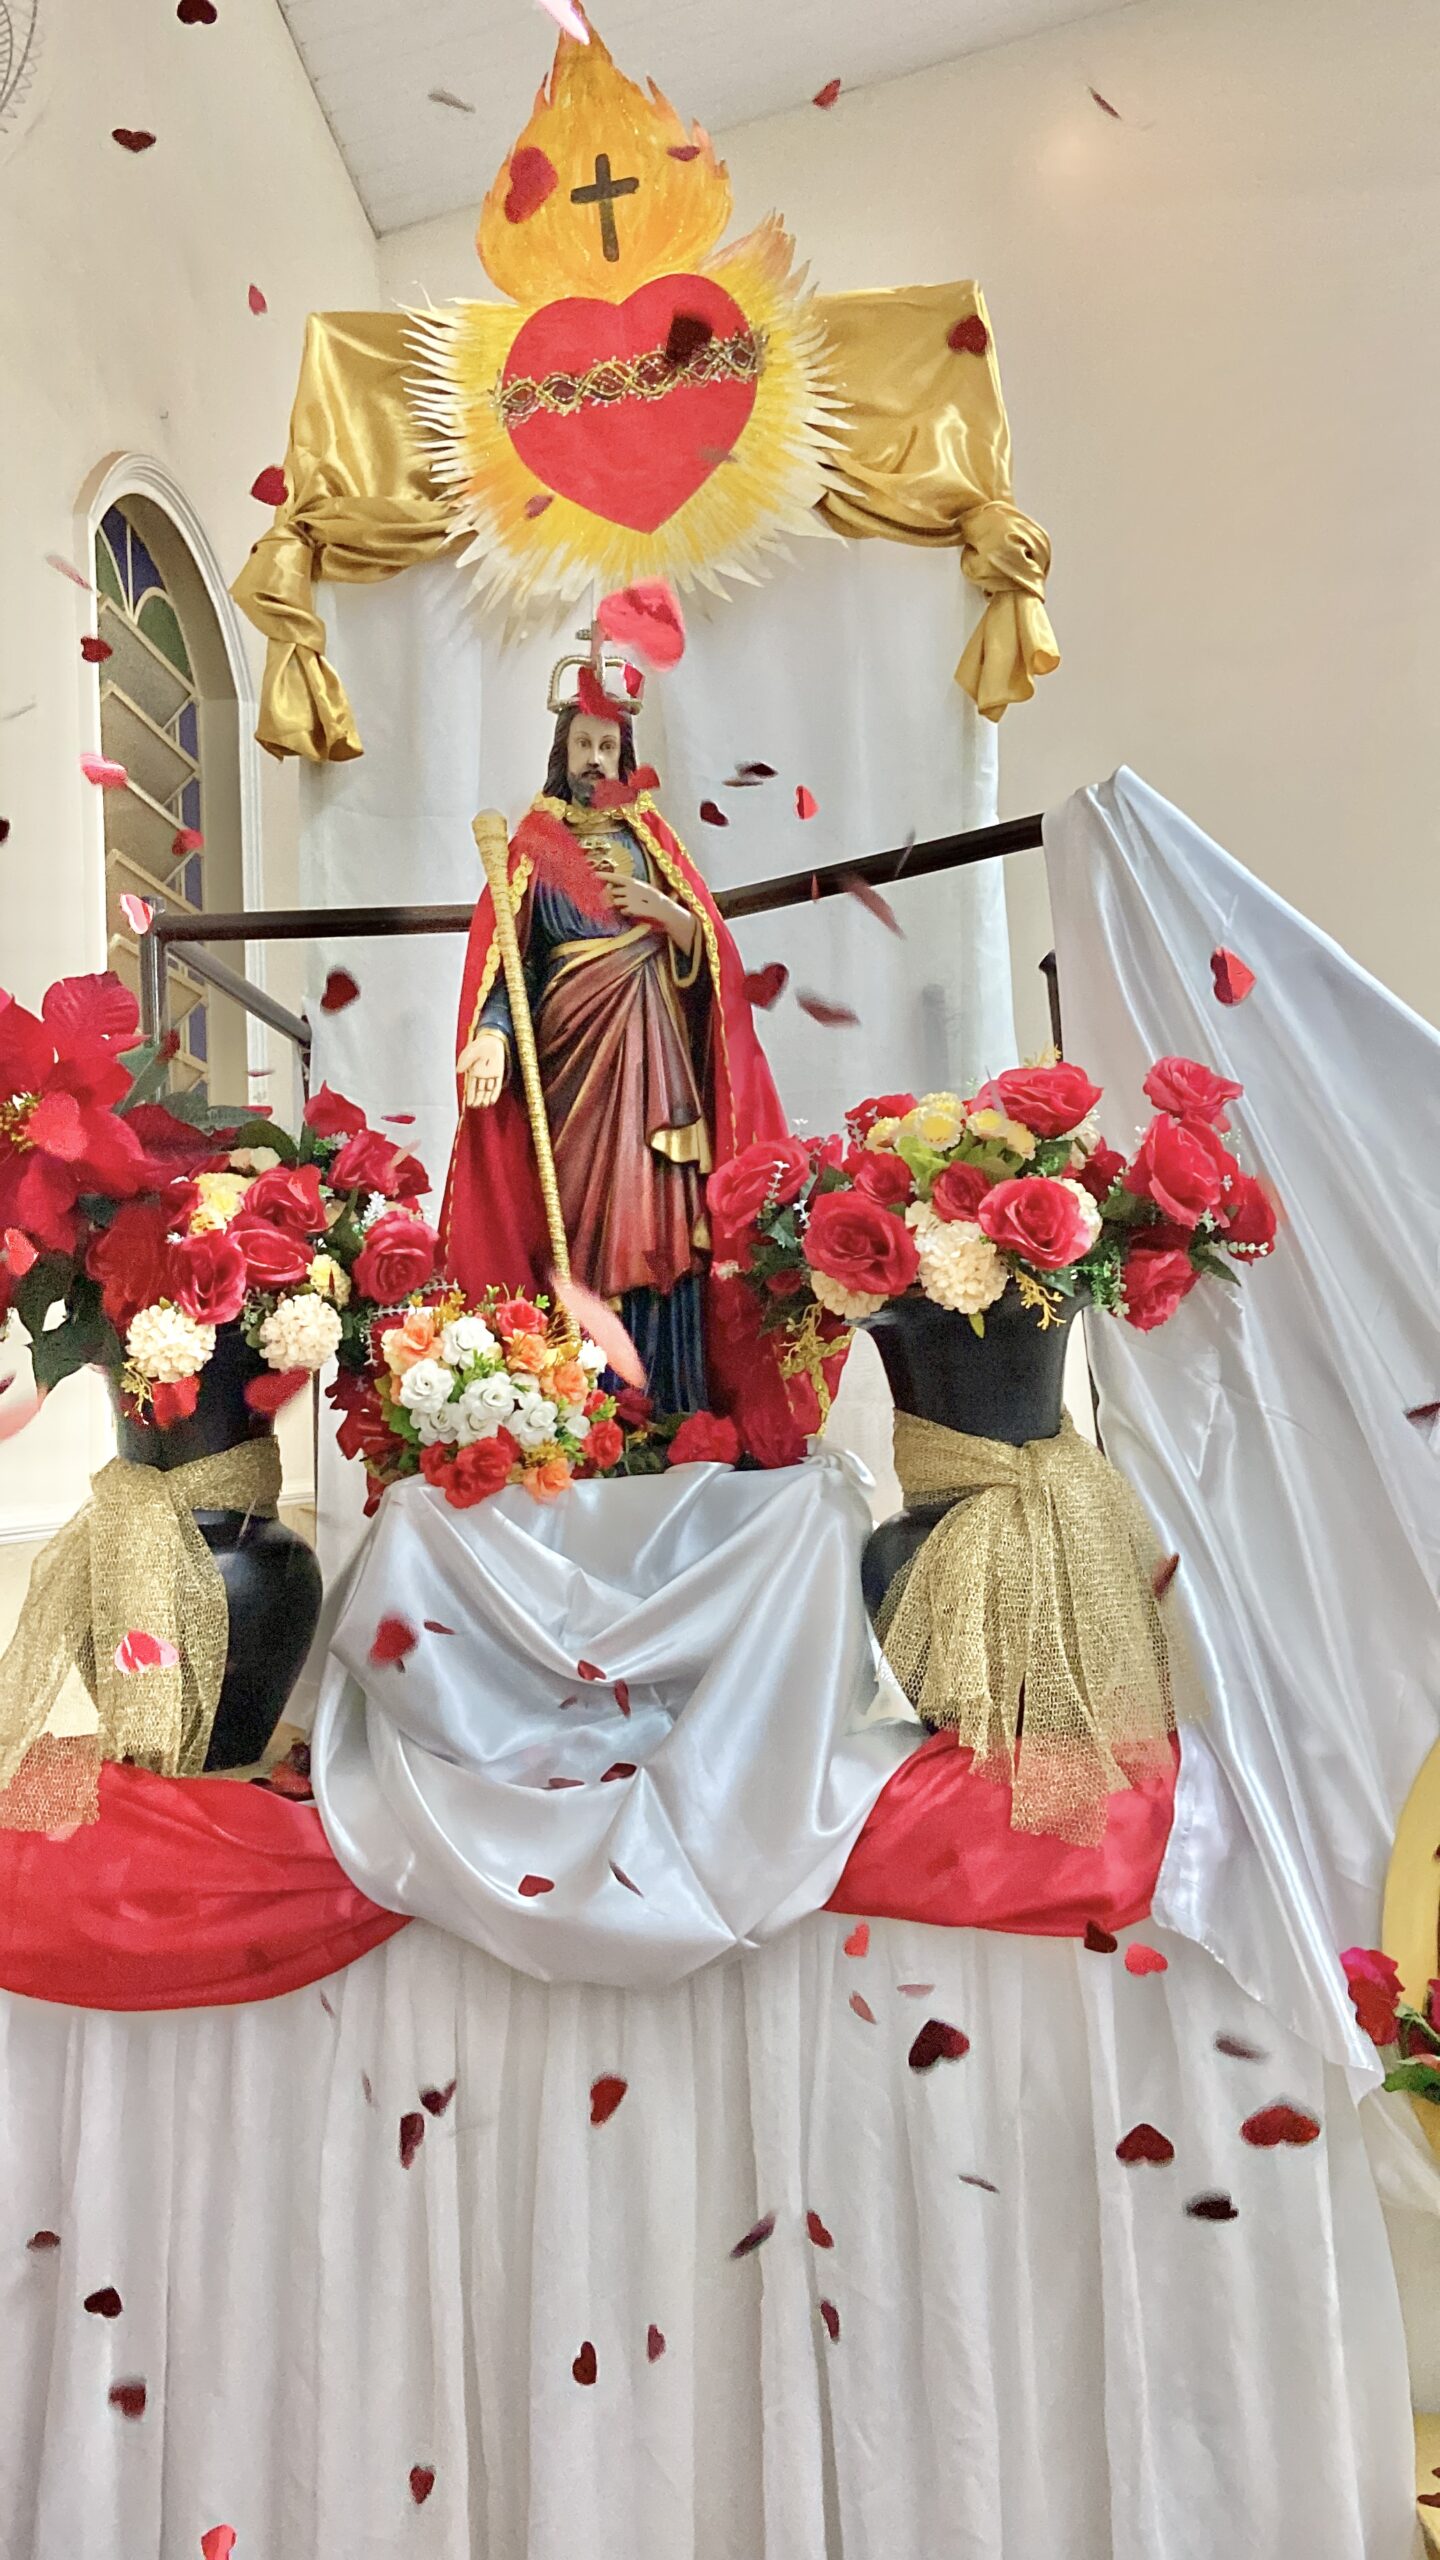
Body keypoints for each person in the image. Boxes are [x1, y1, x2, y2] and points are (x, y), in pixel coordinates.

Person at [440, 649, 794, 1431]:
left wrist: (667, 916)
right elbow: (510, 966)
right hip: (570, 1062)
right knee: (582, 1222)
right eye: (583, 745)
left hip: (656, 1054)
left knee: (661, 1215)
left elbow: (711, 965)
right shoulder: (532, 846)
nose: (595, 758)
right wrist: (493, 1036)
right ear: (561, 752)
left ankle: (672, 1402)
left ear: (625, 755)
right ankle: (587, 1410)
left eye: (607, 745)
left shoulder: (651, 840)